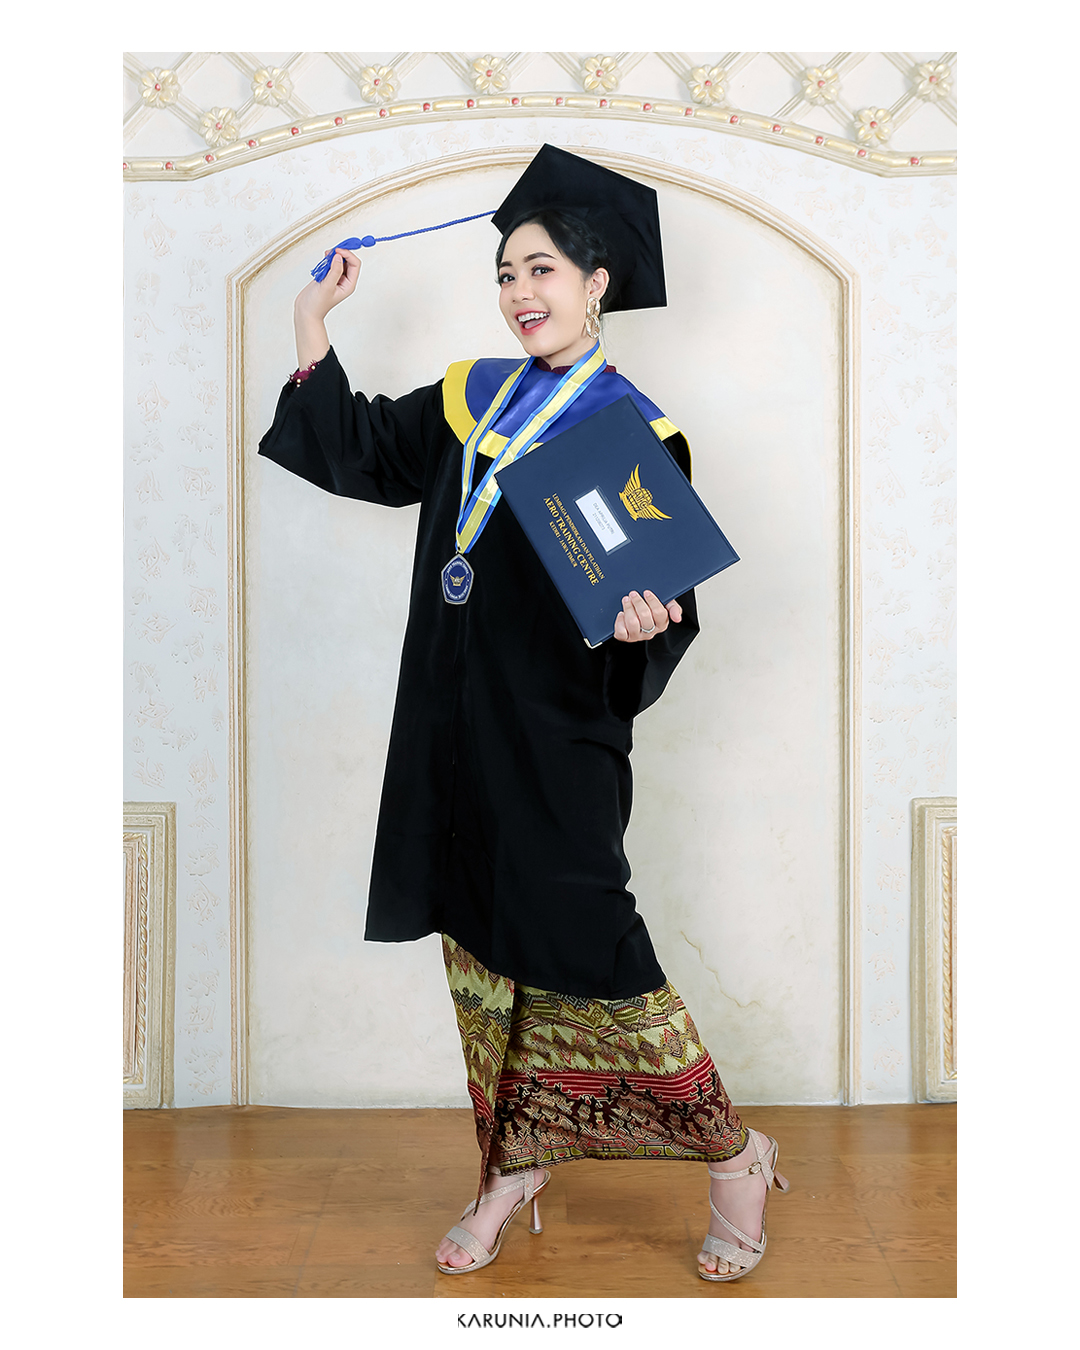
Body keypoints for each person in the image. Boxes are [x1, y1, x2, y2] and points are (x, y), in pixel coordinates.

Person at [258, 145, 788, 1283]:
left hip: (556, 743)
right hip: (450, 732)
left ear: (599, 283)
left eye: (541, 270)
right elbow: (354, 451)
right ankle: (511, 1165)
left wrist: (653, 625)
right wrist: (313, 324)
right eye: (505, 274)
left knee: (594, 951)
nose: (519, 294)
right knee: (479, 953)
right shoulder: (469, 397)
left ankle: (735, 1155)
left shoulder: (636, 431)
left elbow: (661, 608)